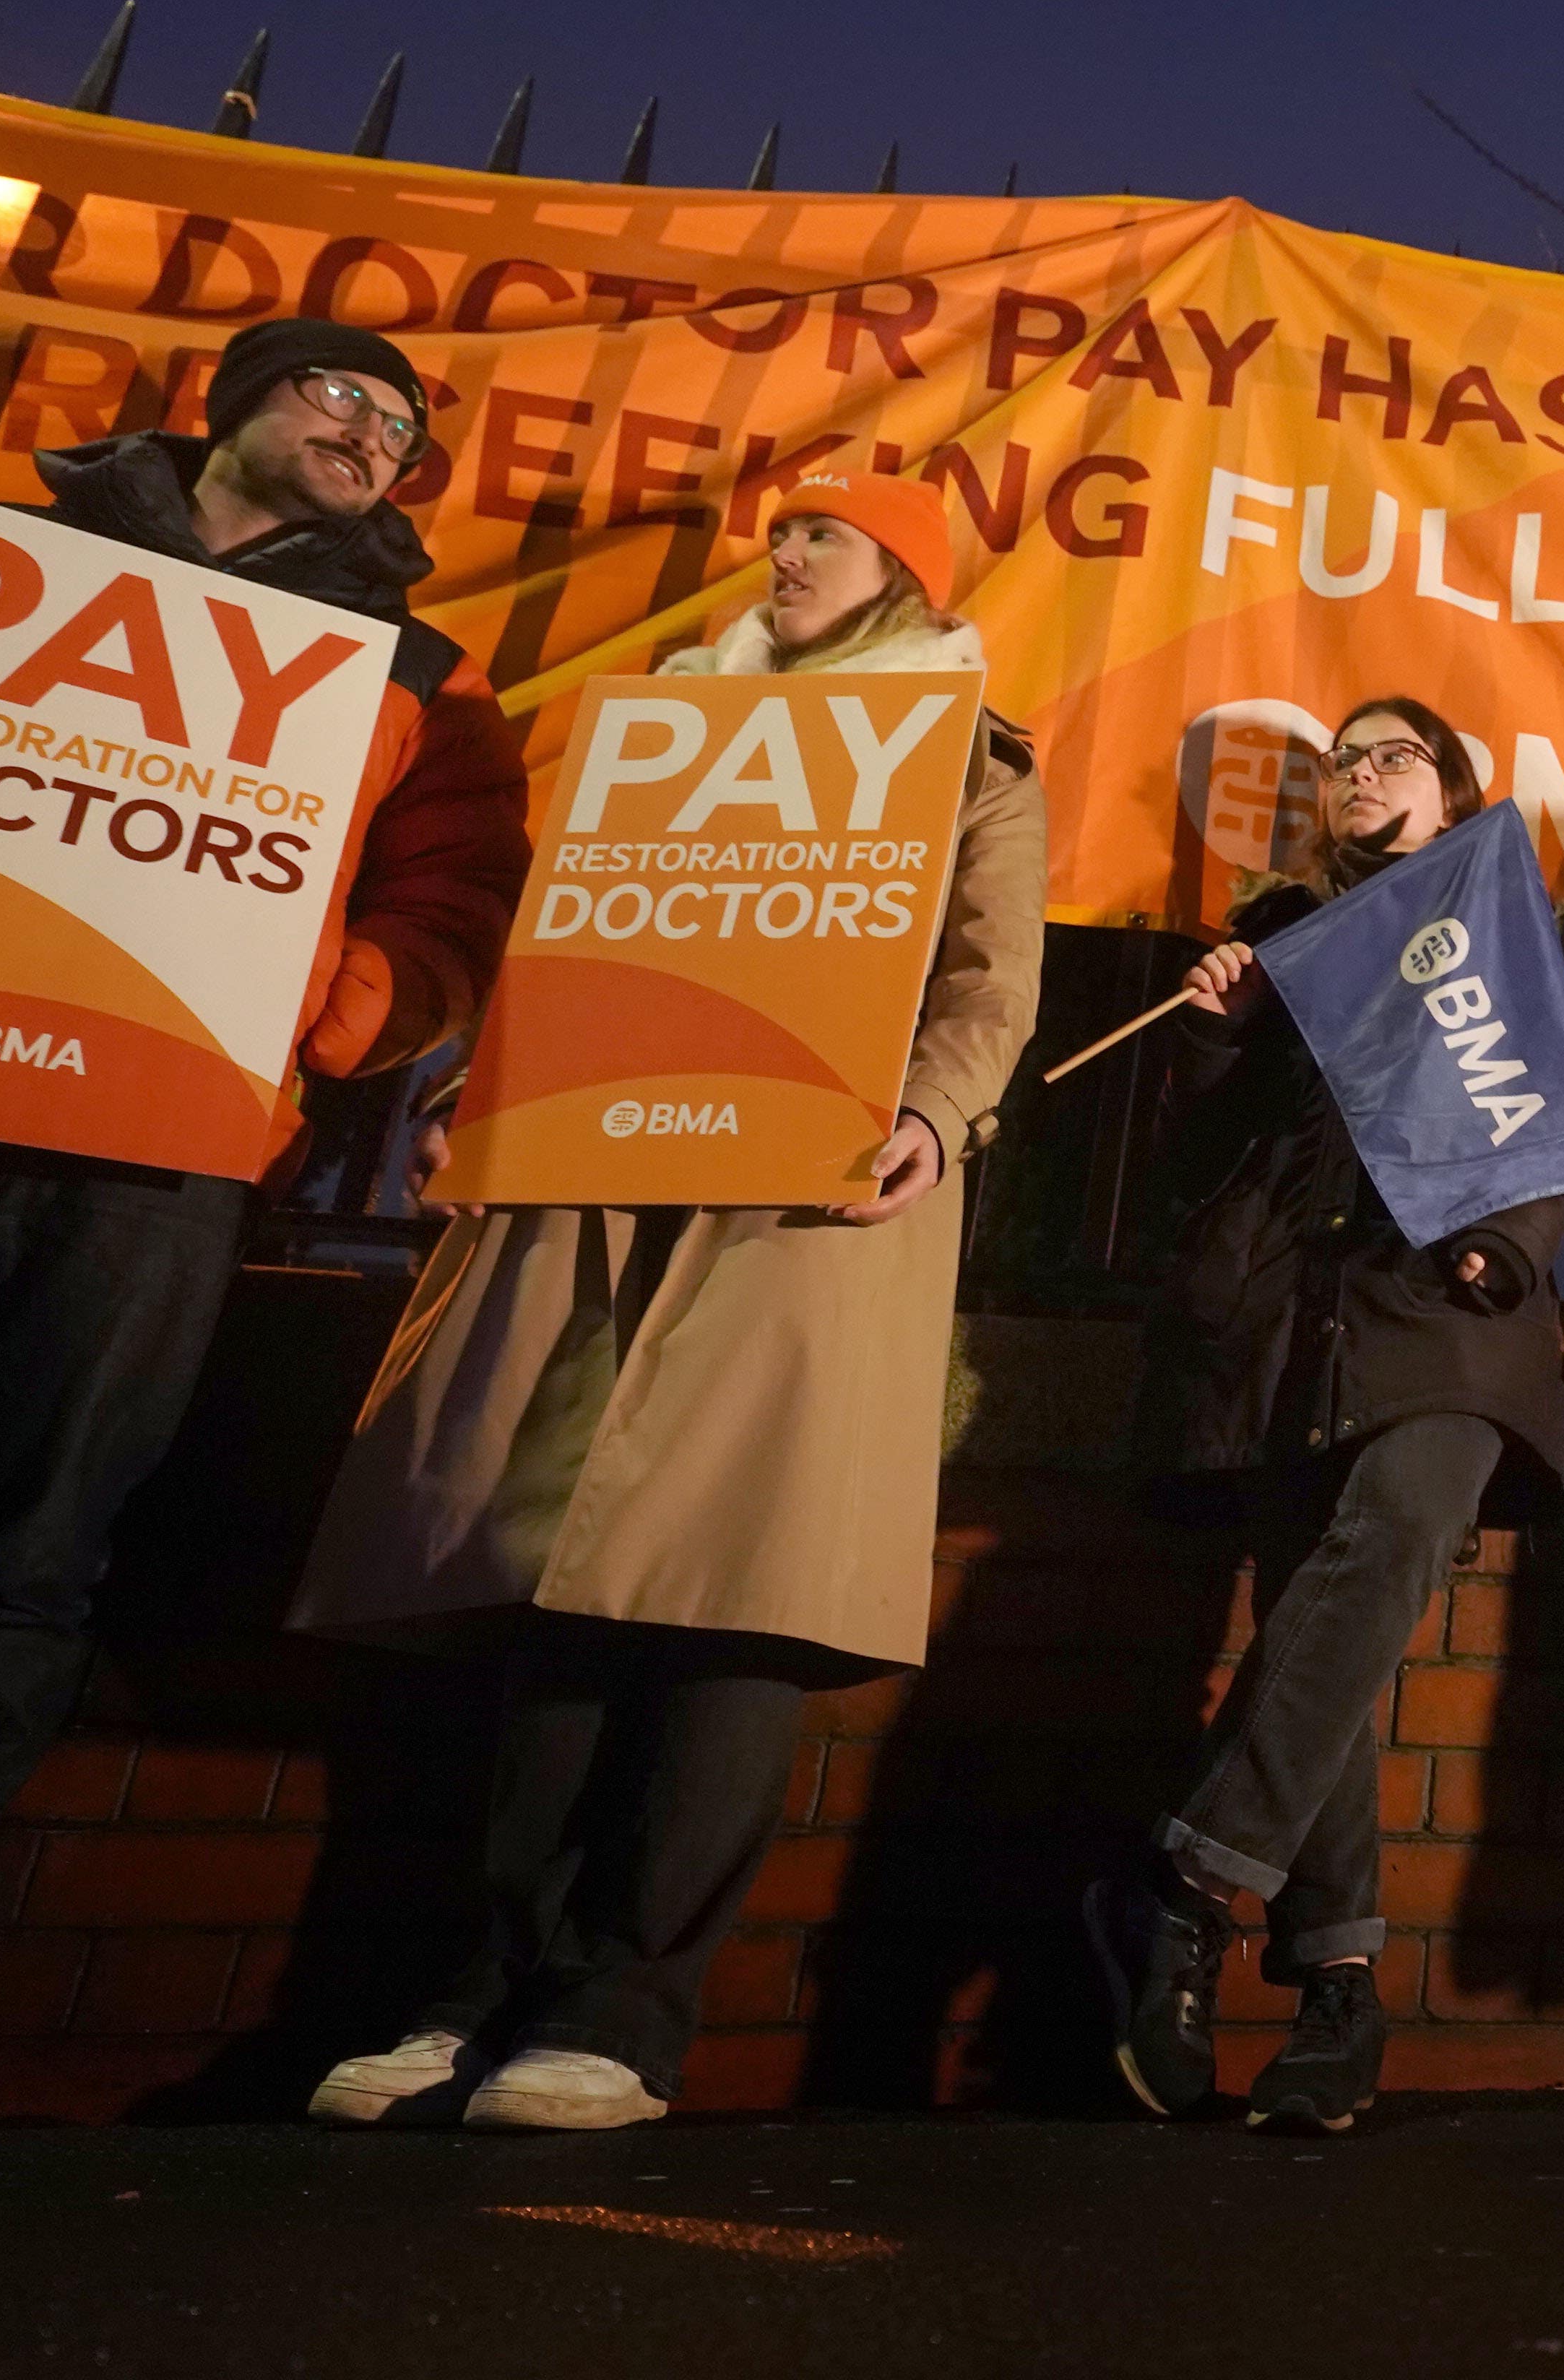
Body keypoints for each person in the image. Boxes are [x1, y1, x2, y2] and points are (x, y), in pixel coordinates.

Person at [0, 320, 530, 2135]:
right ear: (234, 405)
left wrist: (317, 1024)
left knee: (31, 1559)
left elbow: (456, 901)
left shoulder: (417, 671)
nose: (374, 435)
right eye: (343, 394)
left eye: (404, 428)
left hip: (156, 1153)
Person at [286, 469, 1042, 2132]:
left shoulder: (971, 753)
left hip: (813, 1198)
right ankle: (475, 1995)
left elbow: (993, 976)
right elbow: (570, 940)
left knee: (734, 1582)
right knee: (557, 1566)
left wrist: (932, 1110)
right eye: (782, 531)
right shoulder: (667, 735)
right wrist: (479, 1089)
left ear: (904, 579)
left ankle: (624, 2013)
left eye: (825, 534)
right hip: (610, 1181)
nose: (784, 553)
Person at [1093, 698, 1564, 2132]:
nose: (1363, 771)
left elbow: (1554, 1097)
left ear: (1453, 794)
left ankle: (1184, 1885)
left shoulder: (1516, 919)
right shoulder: (1277, 941)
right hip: (1284, 1328)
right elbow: (1202, 1160)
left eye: (1398, 753)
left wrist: (1509, 1239)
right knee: (1323, 1641)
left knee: (1386, 1541)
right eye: (1344, 756)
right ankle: (1340, 1995)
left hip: (1444, 1307)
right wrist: (1213, 1037)